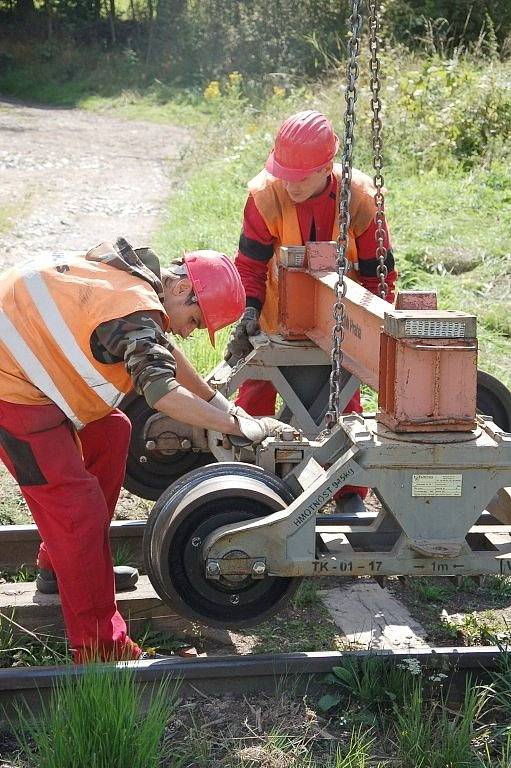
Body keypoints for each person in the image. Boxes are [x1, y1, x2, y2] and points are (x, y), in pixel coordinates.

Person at [0, 237, 287, 663]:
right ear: (181, 289)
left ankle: (61, 570)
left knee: (113, 431)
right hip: (11, 390)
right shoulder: (134, 311)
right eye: (194, 319)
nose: (189, 332)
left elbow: (164, 352)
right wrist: (232, 424)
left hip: (26, 365)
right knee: (77, 510)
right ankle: (101, 649)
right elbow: (163, 395)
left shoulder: (138, 286)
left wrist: (223, 406)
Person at [224, 110, 397, 505]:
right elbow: (249, 265)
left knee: (345, 404)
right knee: (254, 395)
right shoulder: (265, 197)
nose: (291, 184)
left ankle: (349, 492)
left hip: (342, 325)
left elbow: (378, 273)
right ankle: (246, 483)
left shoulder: (361, 199)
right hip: (272, 319)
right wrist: (249, 311)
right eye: (284, 173)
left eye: (300, 176)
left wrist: (374, 326)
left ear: (326, 169)